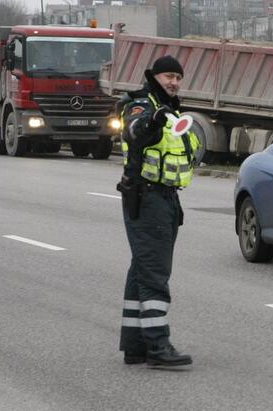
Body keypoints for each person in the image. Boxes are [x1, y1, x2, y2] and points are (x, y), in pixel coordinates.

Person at [115, 56, 200, 367]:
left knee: (141, 270)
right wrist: (153, 121)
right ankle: (157, 346)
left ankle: (135, 345)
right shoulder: (143, 106)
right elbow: (135, 132)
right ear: (154, 76)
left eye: (178, 77)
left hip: (164, 198)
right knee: (154, 273)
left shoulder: (171, 109)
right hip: (146, 196)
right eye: (168, 76)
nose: (174, 82)